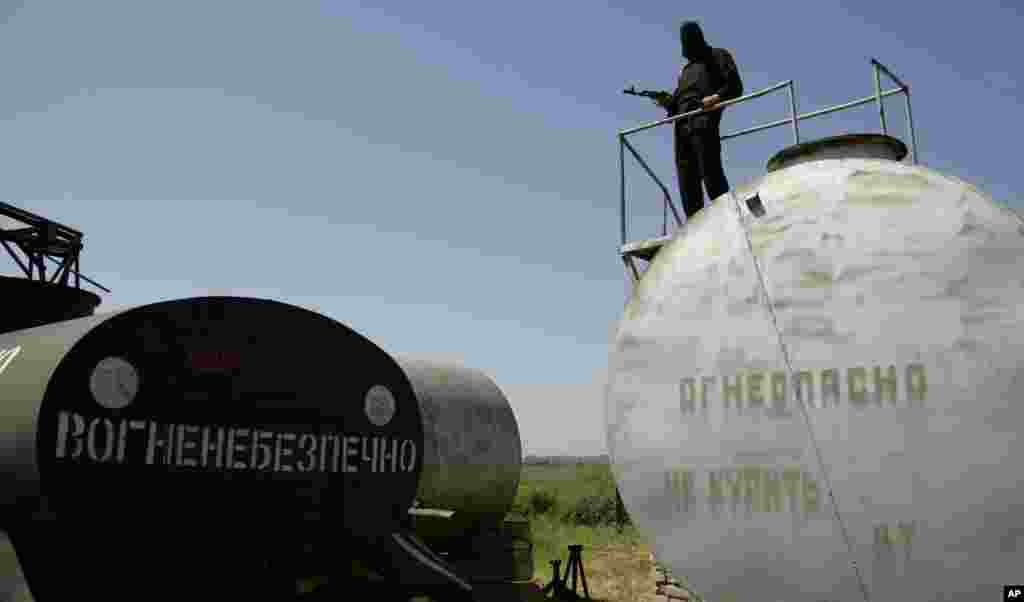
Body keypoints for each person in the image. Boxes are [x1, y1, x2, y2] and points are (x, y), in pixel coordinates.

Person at [654, 21, 743, 219]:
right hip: (682, 128)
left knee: (710, 173)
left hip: (704, 123)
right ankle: (694, 223)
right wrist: (666, 103)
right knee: (687, 181)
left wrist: (715, 98)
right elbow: (677, 101)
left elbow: (735, 86)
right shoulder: (686, 72)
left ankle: (726, 215)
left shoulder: (718, 56)